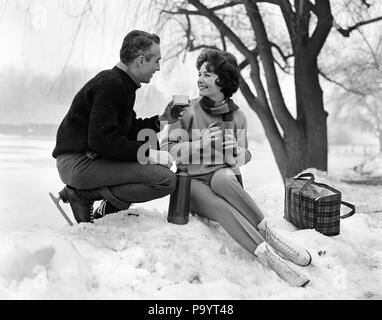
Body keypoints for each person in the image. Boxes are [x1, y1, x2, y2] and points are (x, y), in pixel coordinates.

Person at [161, 49, 312, 287]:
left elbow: (244, 156)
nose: (200, 78)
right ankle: (269, 257)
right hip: (189, 181)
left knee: (224, 179)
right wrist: (201, 143)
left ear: (223, 80)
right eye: (199, 73)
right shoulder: (182, 108)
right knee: (221, 207)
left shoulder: (237, 115)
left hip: (221, 177)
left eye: (208, 74)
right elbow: (168, 148)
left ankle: (271, 235)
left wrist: (237, 153)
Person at [50, 30, 181, 224]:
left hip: (87, 160)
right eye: (156, 61)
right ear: (141, 60)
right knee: (165, 179)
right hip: (77, 163)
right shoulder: (111, 85)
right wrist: (148, 154)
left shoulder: (121, 84)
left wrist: (163, 120)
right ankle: (82, 195)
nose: (158, 68)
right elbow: (102, 141)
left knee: (156, 165)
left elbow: (127, 129)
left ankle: (97, 205)